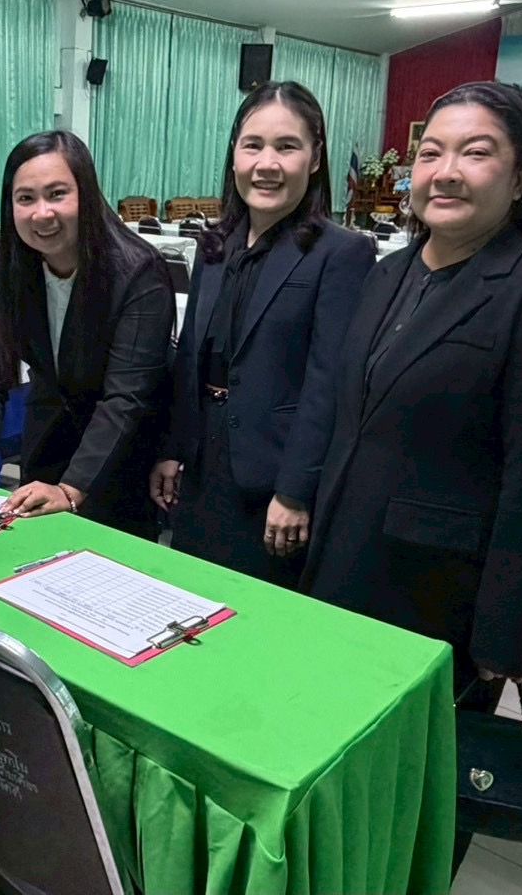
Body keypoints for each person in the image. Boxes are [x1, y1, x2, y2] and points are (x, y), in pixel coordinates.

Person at [297, 82, 522, 872]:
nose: (446, 171)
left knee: (416, 802)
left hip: (440, 599)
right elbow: (351, 421)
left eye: (477, 152)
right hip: (341, 569)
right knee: (336, 769)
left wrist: (504, 638)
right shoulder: (389, 271)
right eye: (431, 152)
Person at [152, 82, 375, 588]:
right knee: (189, 606)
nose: (266, 163)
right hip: (202, 464)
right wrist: (171, 446)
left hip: (272, 480)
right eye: (252, 145)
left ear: (315, 158)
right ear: (234, 154)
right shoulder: (216, 245)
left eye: (287, 146)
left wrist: (295, 491)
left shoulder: (340, 253)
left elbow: (329, 386)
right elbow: (190, 356)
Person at [0, 131, 174, 537]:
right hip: (46, 443)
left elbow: (125, 398)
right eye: (26, 198)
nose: (41, 213)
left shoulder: (138, 272)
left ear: (85, 194)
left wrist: (71, 489)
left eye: (57, 194)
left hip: (116, 460)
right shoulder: (10, 269)